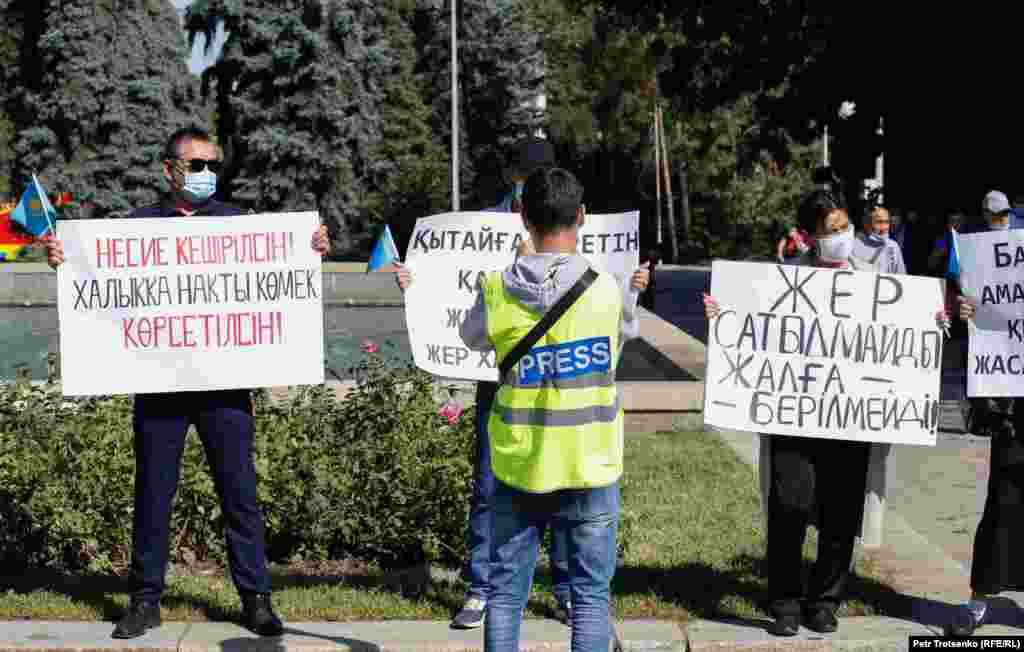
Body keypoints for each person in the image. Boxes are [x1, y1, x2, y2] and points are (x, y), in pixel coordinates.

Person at [43, 126, 330, 639]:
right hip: (160, 384)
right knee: (153, 493)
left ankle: (257, 598)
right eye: (196, 165)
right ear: (169, 169)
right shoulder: (138, 225)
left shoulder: (237, 223)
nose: (206, 175)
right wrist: (64, 259)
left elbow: (281, 264)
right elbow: (96, 272)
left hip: (226, 385)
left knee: (240, 493)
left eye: (213, 166)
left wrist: (310, 246)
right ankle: (144, 600)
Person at [704, 189, 946, 637]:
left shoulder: (876, 281)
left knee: (842, 509)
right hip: (794, 416)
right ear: (809, 236)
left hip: (849, 418)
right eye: (829, 230)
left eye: (842, 227)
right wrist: (720, 315)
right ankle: (784, 601)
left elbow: (905, 329)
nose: (839, 236)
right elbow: (750, 325)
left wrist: (933, 323)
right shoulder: (783, 280)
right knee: (789, 503)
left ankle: (826, 600)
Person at [459, 166, 647, 651]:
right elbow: (618, 345)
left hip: (518, 464)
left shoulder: (496, 287)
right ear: (581, 217)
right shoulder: (606, 289)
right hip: (589, 461)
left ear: (522, 217)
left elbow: (470, 336)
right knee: (589, 600)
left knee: (503, 597)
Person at [404, 137, 573, 630]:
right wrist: (417, 287)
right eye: (522, 174)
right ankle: (482, 588)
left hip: (558, 379)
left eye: (535, 175)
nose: (527, 183)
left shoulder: (568, 227)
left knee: (561, 486)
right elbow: (459, 297)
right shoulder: (480, 227)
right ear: (511, 177)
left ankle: (563, 589)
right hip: (499, 379)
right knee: (490, 485)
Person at [947, 191, 1024, 637]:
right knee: (1003, 501)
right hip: (1012, 400)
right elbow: (987, 308)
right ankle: (979, 599)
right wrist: (969, 313)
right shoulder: (992, 255)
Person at [854, 205, 905, 274]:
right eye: (879, 222)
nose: (884, 227)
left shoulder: (893, 246)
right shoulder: (853, 244)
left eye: (887, 222)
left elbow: (901, 276)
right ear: (867, 224)